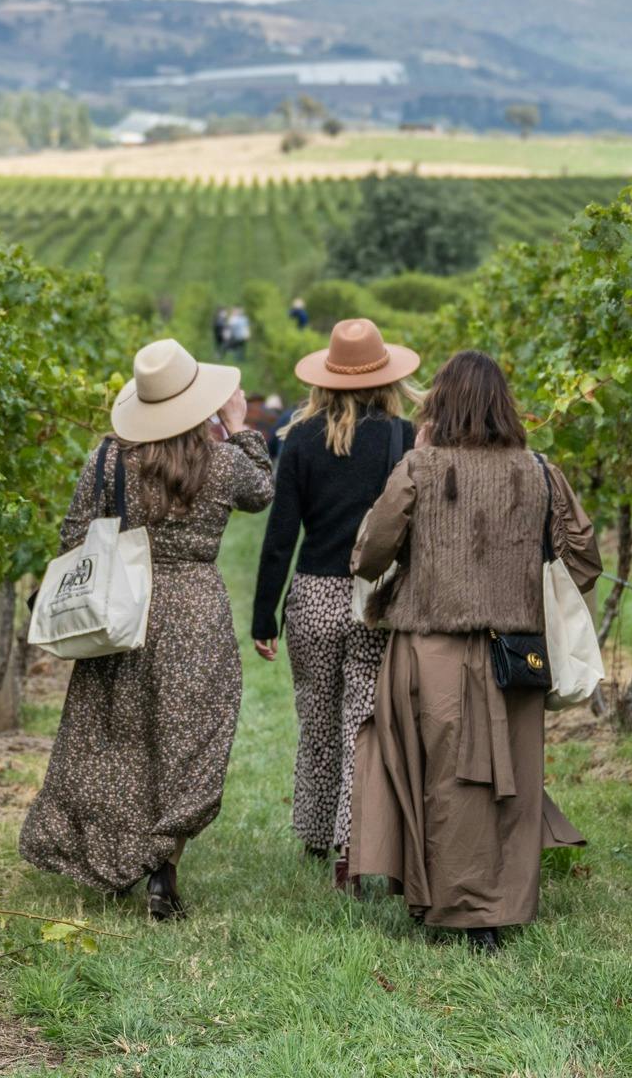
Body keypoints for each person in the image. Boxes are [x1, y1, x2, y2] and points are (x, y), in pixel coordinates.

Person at [346, 349, 600, 952]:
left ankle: (440, 900)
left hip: (427, 650)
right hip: (515, 654)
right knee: (504, 784)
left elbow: (368, 555)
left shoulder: (419, 468)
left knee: (435, 777)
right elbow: (585, 561)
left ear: (441, 403)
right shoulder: (540, 471)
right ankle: (492, 912)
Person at [20, 338, 274, 920]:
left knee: (118, 738)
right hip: (194, 611)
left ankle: (114, 856)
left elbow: (73, 534)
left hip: (123, 608)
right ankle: (163, 867)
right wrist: (238, 427)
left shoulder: (110, 458)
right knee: (186, 739)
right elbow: (263, 491)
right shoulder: (224, 460)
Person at [249, 319, 421, 884]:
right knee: (363, 722)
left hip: (313, 596)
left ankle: (317, 835)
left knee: (317, 718)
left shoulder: (299, 438)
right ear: (386, 377)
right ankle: (356, 846)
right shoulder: (406, 437)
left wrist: (264, 615)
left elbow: (281, 534)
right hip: (376, 594)